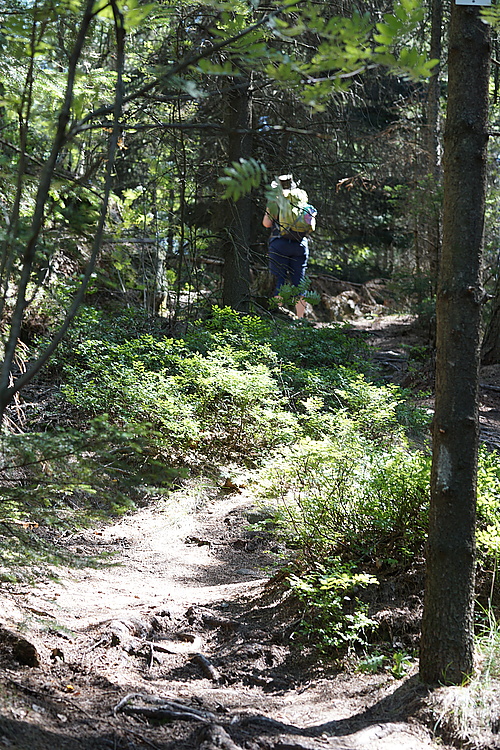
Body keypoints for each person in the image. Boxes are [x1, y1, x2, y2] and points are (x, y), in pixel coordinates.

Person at [262, 174, 315, 319]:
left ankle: (277, 317)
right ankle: (300, 319)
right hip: (300, 243)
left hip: (279, 243)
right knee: (300, 283)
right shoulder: (300, 198)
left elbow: (266, 223)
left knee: (278, 279)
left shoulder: (275, 200)